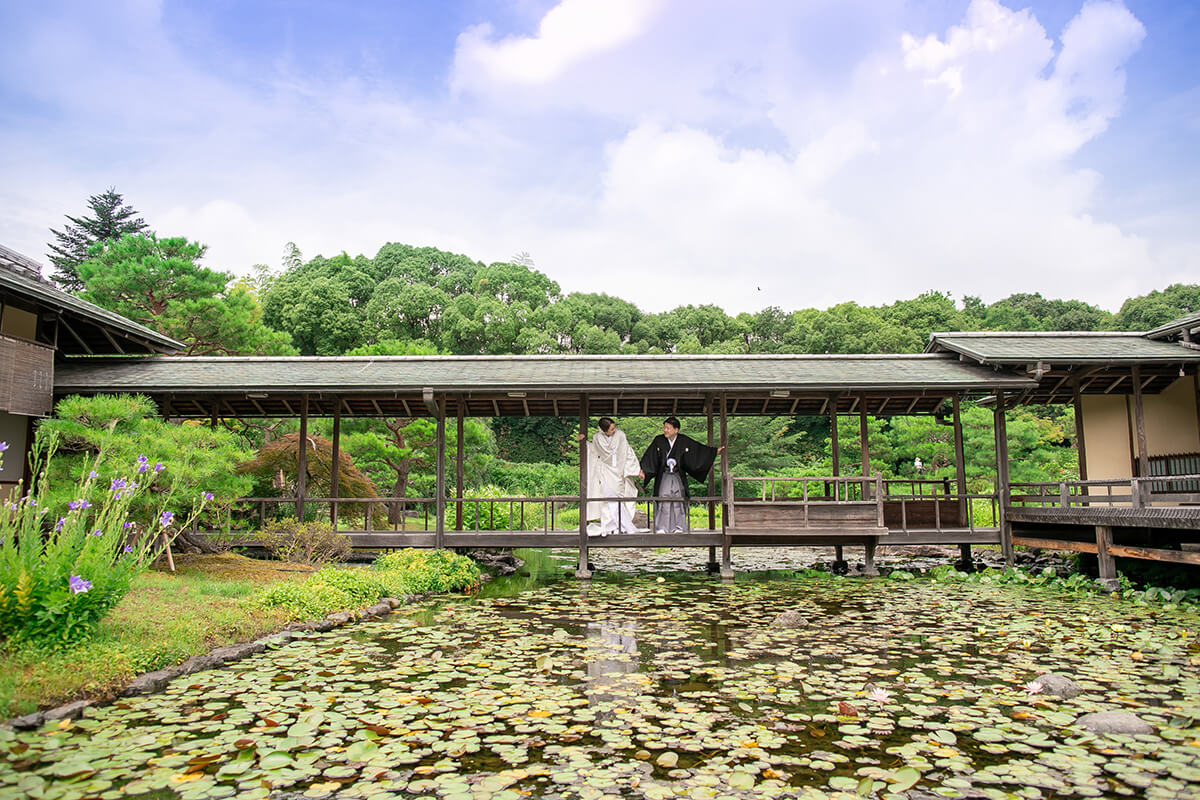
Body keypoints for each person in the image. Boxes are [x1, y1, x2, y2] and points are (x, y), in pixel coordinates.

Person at [639, 416, 723, 534]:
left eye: (668, 428)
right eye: (664, 428)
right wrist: (643, 470)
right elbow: (650, 457)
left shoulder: (683, 440)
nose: (665, 430)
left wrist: (713, 452)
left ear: (676, 429)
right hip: (664, 476)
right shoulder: (659, 440)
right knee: (663, 499)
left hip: (677, 475)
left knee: (678, 500)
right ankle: (661, 528)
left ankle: (679, 527)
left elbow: (698, 450)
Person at [578, 417, 644, 536]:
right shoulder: (597, 438)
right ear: (604, 430)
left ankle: (621, 525)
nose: (614, 430)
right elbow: (594, 451)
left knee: (619, 498)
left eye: (614, 427)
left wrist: (637, 470)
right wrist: (584, 442)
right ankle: (608, 525)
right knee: (606, 499)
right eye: (611, 429)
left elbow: (627, 451)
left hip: (618, 471)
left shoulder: (620, 435)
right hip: (605, 471)